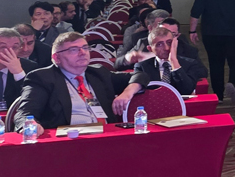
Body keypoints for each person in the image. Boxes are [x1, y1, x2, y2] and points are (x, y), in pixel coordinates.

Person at [12, 32, 148, 133]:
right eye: (74, 49)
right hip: (68, 142)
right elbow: (24, 113)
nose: (82, 53)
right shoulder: (42, 78)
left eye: (85, 47)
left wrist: (127, 92)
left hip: (106, 136)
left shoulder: (98, 73)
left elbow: (140, 75)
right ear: (57, 57)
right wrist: (30, 125)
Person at [133, 26, 208, 95]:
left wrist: (173, 61)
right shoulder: (142, 67)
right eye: (159, 44)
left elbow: (187, 91)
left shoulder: (190, 64)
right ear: (150, 49)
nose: (166, 48)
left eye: (169, 43)